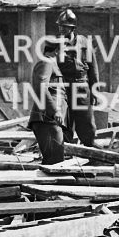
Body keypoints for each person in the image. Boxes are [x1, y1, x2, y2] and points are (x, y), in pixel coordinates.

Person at [53, 8, 99, 147]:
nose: (61, 29)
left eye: (64, 27)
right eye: (60, 26)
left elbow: (93, 69)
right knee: (65, 121)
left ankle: (90, 148)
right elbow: (49, 69)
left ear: (72, 28)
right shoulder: (54, 44)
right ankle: (65, 150)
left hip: (82, 85)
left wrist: (95, 91)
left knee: (85, 120)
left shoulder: (84, 42)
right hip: (64, 86)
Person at [28, 37, 68, 165]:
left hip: (50, 120)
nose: (65, 54)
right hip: (47, 119)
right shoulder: (47, 62)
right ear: (56, 51)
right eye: (64, 51)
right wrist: (55, 110)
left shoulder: (52, 64)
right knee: (54, 162)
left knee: (55, 161)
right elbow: (41, 87)